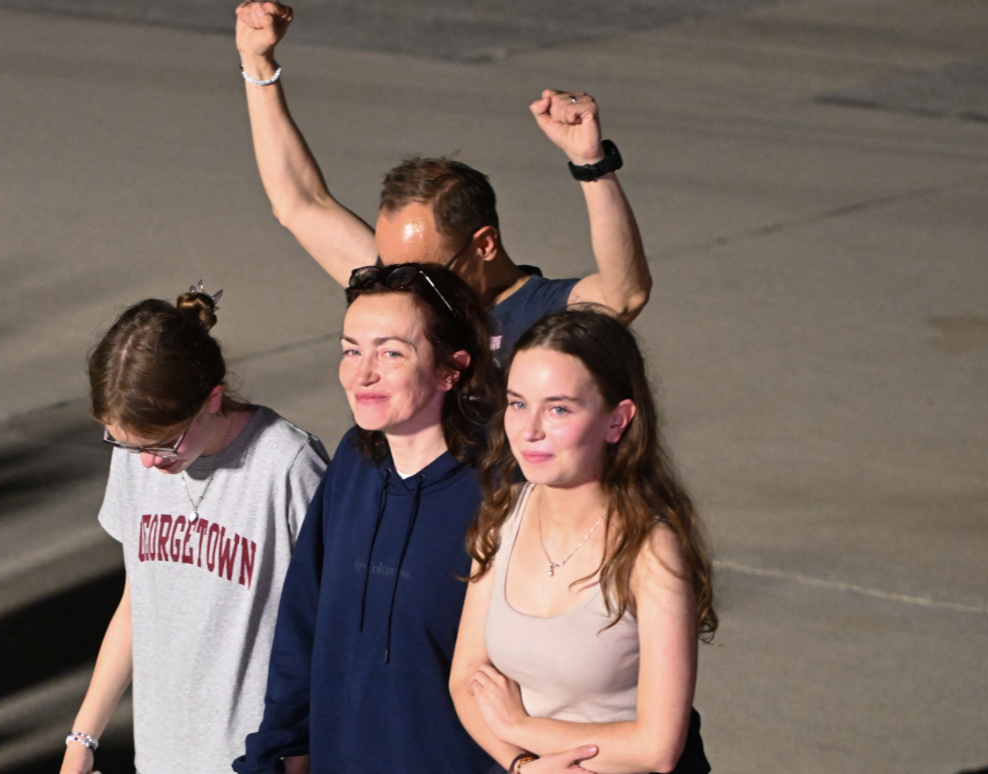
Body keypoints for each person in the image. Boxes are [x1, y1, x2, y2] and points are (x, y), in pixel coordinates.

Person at [234, 1, 652, 365]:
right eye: (394, 272)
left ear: (485, 244)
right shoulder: (403, 283)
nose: (405, 290)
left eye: (422, 273)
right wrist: (257, 63)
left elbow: (624, 295)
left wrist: (590, 163)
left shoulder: (541, 315)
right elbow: (300, 203)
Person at [235, 263, 530, 773]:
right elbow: (301, 627)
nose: (361, 373)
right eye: (352, 350)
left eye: (391, 352)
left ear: (450, 369)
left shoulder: (504, 486)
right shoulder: (353, 461)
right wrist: (278, 753)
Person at [60, 286, 329, 774]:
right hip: (161, 757)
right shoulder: (138, 459)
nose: (147, 461)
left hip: (258, 759)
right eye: (123, 444)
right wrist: (83, 740)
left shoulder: (287, 467)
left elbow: (329, 628)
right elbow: (139, 603)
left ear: (213, 398)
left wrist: (298, 755)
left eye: (163, 444)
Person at [449, 309, 715, 774]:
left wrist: (523, 728)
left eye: (559, 409)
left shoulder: (651, 551)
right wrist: (523, 766)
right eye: (517, 403)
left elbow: (657, 746)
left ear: (618, 421)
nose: (529, 430)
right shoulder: (502, 514)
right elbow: (465, 680)